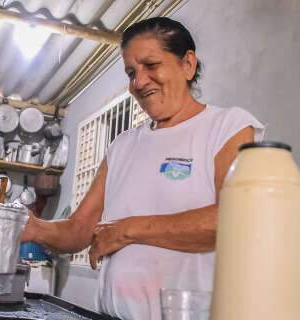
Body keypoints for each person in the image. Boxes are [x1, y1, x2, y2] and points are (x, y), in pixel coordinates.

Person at [21, 17, 264, 320]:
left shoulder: (228, 127)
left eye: (151, 65)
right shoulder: (122, 146)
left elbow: (233, 221)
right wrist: (33, 227)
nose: (139, 82)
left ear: (187, 64)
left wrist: (126, 230)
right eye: (131, 72)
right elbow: (79, 230)